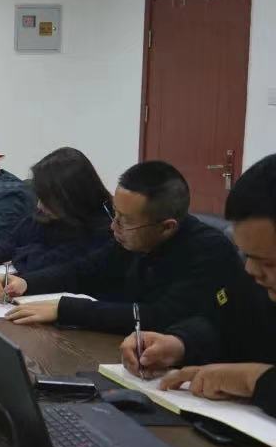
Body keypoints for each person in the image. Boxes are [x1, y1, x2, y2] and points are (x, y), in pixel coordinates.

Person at [0, 161, 243, 334]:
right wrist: (27, 283)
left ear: (167, 227)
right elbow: (85, 269)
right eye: (115, 214)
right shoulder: (132, 237)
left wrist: (65, 309)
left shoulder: (209, 251)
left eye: (126, 220)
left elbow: (160, 316)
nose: (114, 226)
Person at [118, 154, 276, 415]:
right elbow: (224, 324)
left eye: (268, 262)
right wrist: (179, 343)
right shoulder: (254, 283)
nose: (251, 269)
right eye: (247, 255)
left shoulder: (207, 248)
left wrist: (255, 379)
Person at [0, 147, 112, 275]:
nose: (39, 205)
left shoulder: (105, 229)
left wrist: (22, 254)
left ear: (70, 197)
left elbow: (44, 265)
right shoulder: (50, 215)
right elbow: (13, 239)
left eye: (46, 199)